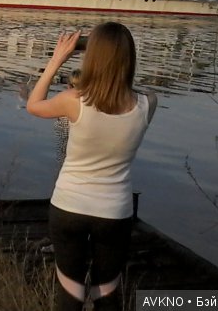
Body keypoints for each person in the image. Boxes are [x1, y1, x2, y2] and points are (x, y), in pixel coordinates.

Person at [26, 22, 157, 311]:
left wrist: (58, 58)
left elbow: (34, 104)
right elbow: (123, 92)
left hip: (69, 207)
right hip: (114, 212)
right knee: (107, 293)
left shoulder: (74, 102)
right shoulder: (148, 103)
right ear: (129, 58)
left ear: (91, 58)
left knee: (70, 294)